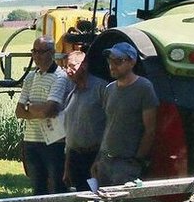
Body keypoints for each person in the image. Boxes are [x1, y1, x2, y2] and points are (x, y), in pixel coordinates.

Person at [94, 42, 159, 187]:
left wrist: (137, 160)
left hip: (126, 163)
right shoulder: (109, 89)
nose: (112, 65)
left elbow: (150, 130)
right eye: (110, 61)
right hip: (105, 160)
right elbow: (108, 125)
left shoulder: (144, 87)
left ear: (131, 62)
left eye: (118, 61)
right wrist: (98, 158)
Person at [15, 35, 71, 196]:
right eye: (34, 51)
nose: (37, 56)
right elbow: (19, 111)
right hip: (31, 140)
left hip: (53, 141)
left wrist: (30, 108)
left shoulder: (60, 77)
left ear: (52, 53)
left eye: (41, 52)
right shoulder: (31, 77)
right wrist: (38, 110)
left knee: (56, 186)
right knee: (37, 187)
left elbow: (50, 110)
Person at [61, 48, 105, 192]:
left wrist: (100, 159)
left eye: (72, 66)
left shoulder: (101, 88)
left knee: (98, 201)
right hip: (75, 157)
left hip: (95, 156)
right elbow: (70, 133)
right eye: (66, 67)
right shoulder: (71, 92)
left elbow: (112, 125)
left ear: (84, 65)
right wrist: (67, 167)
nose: (68, 70)